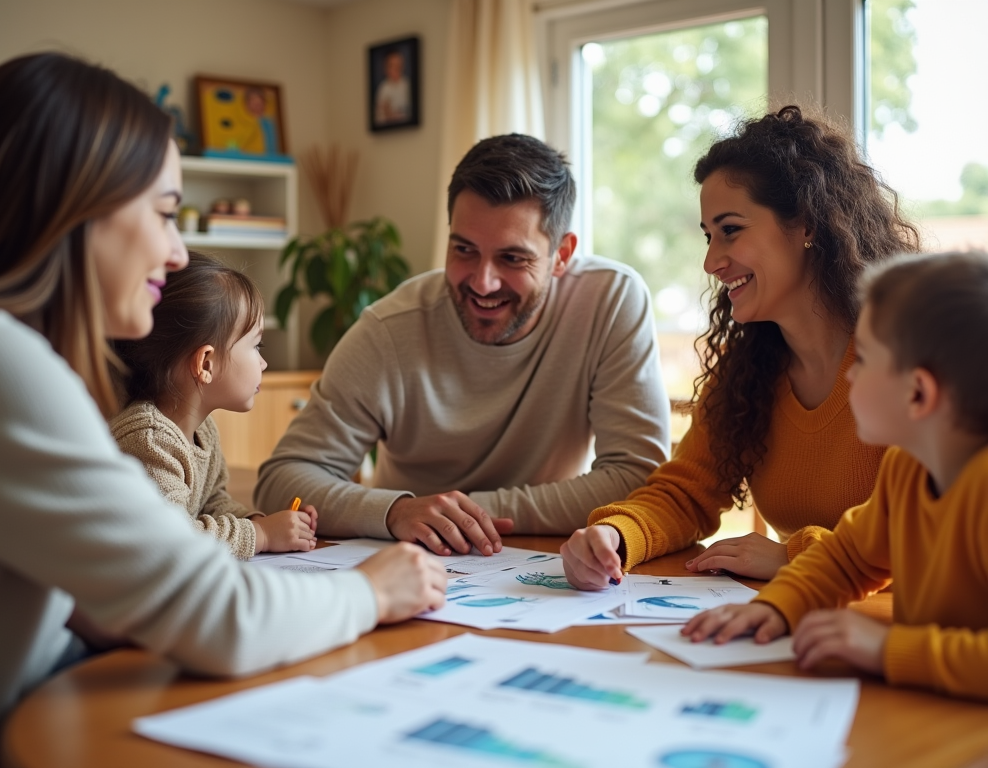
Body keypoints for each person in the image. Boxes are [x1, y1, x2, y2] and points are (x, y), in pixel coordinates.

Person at [0, 52, 445, 766]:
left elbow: (100, 598)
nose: (176, 251)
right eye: (163, 214)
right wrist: (371, 592)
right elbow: (220, 614)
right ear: (76, 210)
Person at [255, 133, 671, 556]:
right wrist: (396, 511)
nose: (482, 281)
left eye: (512, 258)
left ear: (562, 254)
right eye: (464, 249)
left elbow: (637, 478)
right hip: (415, 560)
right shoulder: (389, 330)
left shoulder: (611, 301)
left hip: (553, 560)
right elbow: (281, 481)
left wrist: (469, 513)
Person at [561, 105, 921, 588]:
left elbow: (937, 537)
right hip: (806, 620)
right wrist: (614, 535)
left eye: (730, 230)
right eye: (709, 237)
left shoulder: (917, 355)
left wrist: (796, 556)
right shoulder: (750, 368)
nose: (711, 262)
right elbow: (686, 493)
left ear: (808, 224)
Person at [683, 251, 988, 700]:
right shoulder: (906, 469)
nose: (849, 375)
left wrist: (888, 649)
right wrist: (778, 608)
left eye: (863, 359)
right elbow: (846, 559)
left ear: (918, 393)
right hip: (930, 707)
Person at [111, 252, 318, 560]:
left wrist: (258, 522)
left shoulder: (202, 430)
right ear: (206, 363)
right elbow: (174, 541)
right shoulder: (150, 440)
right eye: (256, 345)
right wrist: (260, 536)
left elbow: (213, 503)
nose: (263, 362)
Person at [374, 48, 410, 125]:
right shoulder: (383, 88)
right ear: (386, 69)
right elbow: (380, 116)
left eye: (398, 66)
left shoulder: (407, 84)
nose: (396, 69)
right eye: (392, 66)